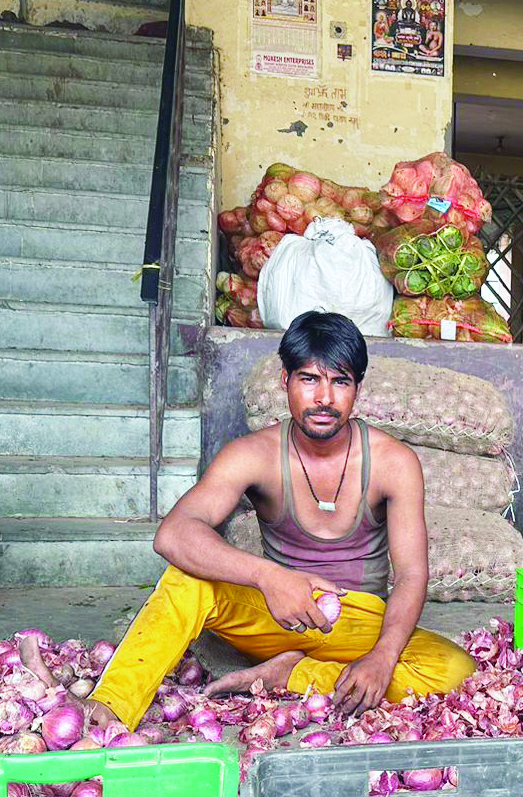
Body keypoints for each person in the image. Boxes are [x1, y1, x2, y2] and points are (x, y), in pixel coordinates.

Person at [28, 311, 476, 731]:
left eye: (340, 381)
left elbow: (414, 575)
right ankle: (109, 708)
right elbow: (174, 534)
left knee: (457, 673)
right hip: (276, 617)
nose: (324, 397)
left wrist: (382, 656)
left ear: (357, 389)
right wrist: (269, 577)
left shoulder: (394, 462)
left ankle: (295, 673)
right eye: (309, 379)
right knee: (188, 580)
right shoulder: (252, 454)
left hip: (359, 622)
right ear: (285, 382)